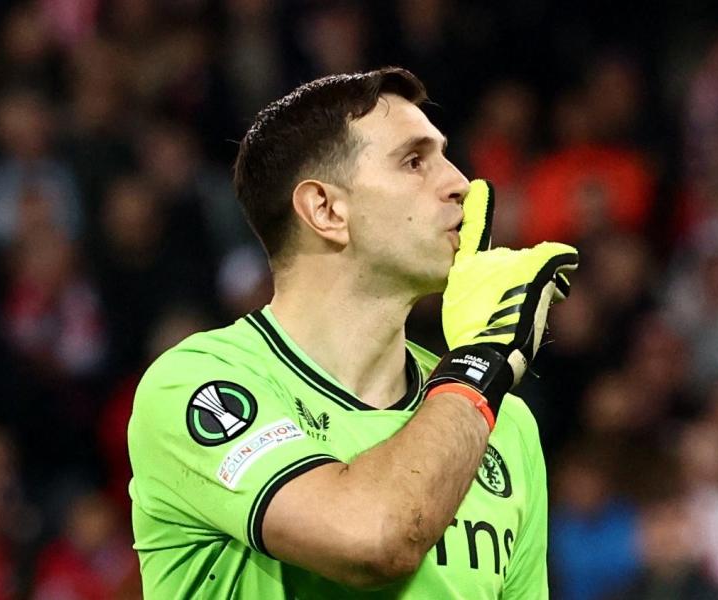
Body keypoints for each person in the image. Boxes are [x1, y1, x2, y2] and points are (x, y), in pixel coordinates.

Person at [127, 66, 578, 598]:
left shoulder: (507, 425)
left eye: (444, 156)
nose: (461, 182)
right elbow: (373, 539)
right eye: (414, 161)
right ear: (326, 209)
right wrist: (480, 364)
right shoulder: (198, 384)